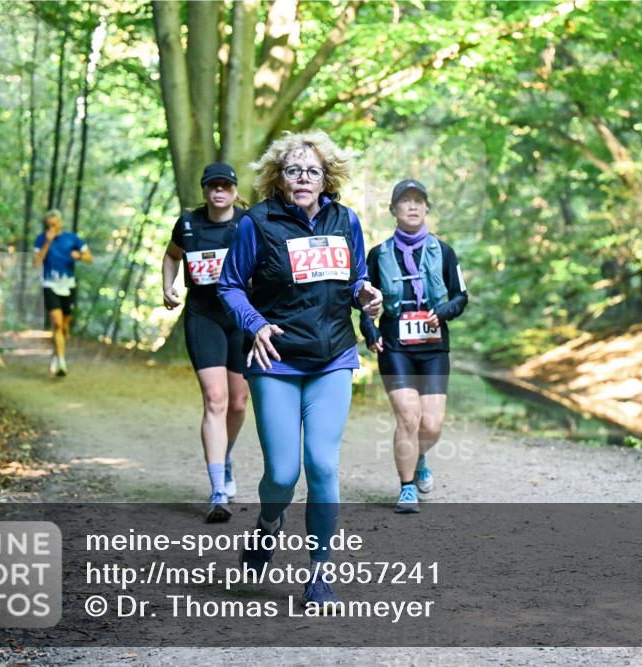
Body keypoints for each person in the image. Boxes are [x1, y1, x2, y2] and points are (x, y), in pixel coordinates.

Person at [219, 130, 382, 608]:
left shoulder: (345, 220)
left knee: (323, 466)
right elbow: (230, 285)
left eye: (312, 171)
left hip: (332, 358)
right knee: (283, 475)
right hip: (276, 361)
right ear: (279, 177)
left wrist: (365, 294)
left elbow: (355, 278)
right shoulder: (257, 223)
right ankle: (269, 522)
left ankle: (319, 573)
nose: (304, 178)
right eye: (294, 170)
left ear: (326, 177)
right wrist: (256, 324)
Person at [360, 179, 468, 513]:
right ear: (393, 209)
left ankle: (419, 457)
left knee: (431, 424)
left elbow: (461, 297)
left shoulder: (444, 252)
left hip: (433, 347)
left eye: (418, 201)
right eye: (405, 201)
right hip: (395, 345)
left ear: (426, 208)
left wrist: (444, 311)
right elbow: (363, 303)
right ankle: (407, 488)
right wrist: (370, 330)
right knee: (408, 417)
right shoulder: (378, 254)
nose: (412, 206)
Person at [162, 162, 250, 523]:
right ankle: (217, 491)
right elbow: (172, 255)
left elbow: (268, 266)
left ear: (235, 191)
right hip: (204, 317)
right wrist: (167, 286)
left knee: (238, 403)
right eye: (213, 186)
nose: (219, 192)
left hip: (240, 319)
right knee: (215, 399)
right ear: (204, 190)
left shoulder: (247, 224)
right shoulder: (188, 224)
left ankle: (225, 456)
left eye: (225, 186)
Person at [34, 210, 92, 377]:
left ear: (60, 223)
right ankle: (61, 362)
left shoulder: (72, 239)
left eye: (54, 224)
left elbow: (90, 258)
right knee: (57, 323)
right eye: (49, 225)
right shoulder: (41, 239)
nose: (52, 227)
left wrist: (79, 256)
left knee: (65, 327)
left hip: (68, 286)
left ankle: (57, 353)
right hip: (49, 284)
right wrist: (47, 242)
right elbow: (36, 262)